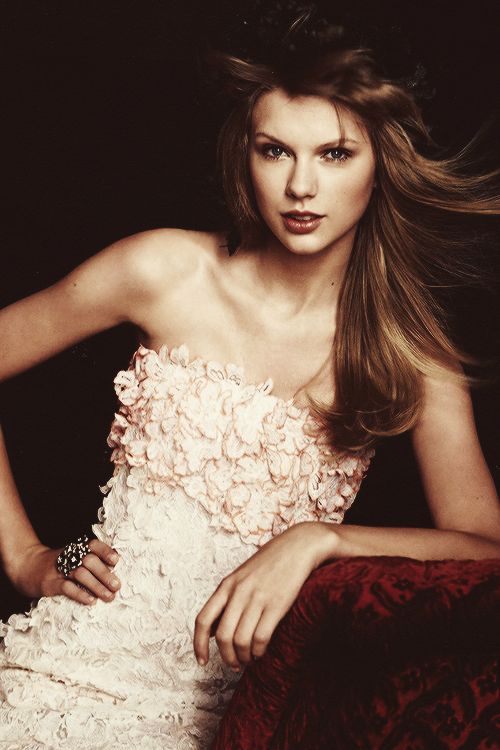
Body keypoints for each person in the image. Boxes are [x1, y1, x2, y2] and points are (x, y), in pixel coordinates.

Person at [1, 11, 500, 749]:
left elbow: (486, 547)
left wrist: (321, 540)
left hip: (236, 722)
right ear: (246, 155)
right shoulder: (164, 271)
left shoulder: (407, 350)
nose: (302, 186)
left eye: (334, 153)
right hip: (62, 685)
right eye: (276, 151)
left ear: (380, 161)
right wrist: (23, 557)